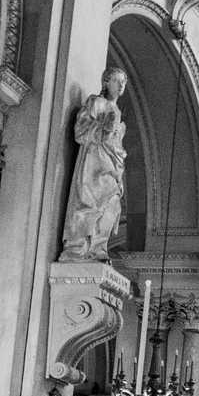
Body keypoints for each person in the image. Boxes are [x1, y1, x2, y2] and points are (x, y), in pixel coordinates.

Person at [59, 68, 129, 262]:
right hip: (94, 161)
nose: (121, 85)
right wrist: (104, 129)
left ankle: (98, 247)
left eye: (123, 82)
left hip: (112, 163)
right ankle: (78, 247)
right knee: (89, 202)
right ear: (106, 82)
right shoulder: (95, 102)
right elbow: (80, 131)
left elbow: (117, 145)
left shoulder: (117, 111)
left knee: (112, 204)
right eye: (117, 80)